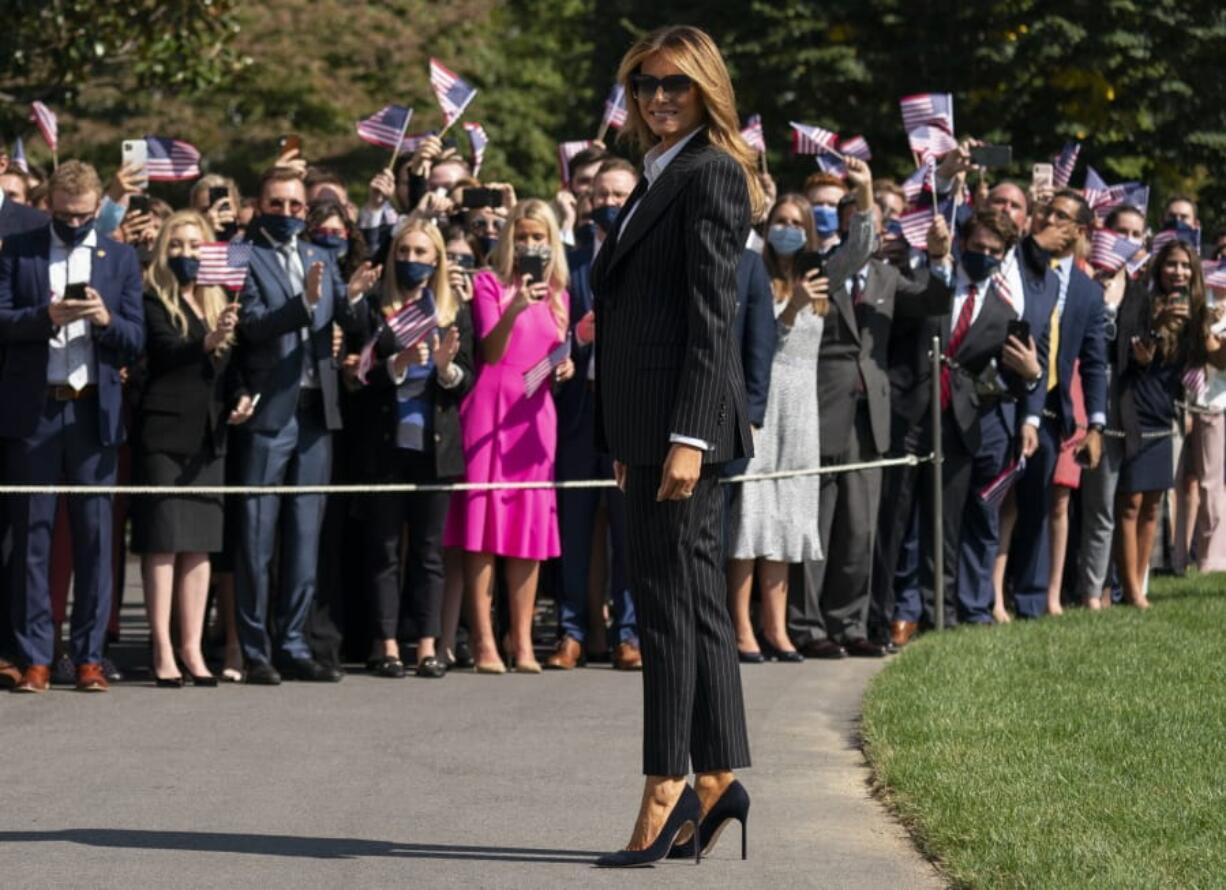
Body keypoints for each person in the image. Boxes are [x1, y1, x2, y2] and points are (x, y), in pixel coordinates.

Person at [590, 25, 762, 867]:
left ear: (706, 91)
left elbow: (710, 321)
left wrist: (688, 437)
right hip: (648, 429)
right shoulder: (658, 173)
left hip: (684, 430)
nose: (659, 98)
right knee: (692, 608)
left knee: (666, 612)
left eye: (676, 85)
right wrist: (629, 434)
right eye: (646, 85)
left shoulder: (713, 172)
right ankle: (715, 778)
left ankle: (667, 785)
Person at [789, 185, 954, 658]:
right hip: (823, 406)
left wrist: (939, 262)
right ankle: (807, 625)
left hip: (872, 414)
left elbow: (931, 302)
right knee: (817, 524)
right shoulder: (819, 268)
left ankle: (849, 622)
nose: (876, 233)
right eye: (865, 221)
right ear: (849, 223)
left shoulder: (885, 276)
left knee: (860, 527)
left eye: (881, 225)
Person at [0, 160, 144, 693]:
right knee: (33, 536)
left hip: (92, 410)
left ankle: (88, 656)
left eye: (84, 216)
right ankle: (36, 655)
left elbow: (136, 337)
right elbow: (2, 317)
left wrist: (104, 321)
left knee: (95, 538)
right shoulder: (21, 251)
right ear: (49, 208)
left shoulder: (120, 257)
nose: (75, 224)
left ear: (95, 211)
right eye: (65, 216)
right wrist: (47, 317)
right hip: (36, 409)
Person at [231, 166, 356, 685]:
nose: (286, 214)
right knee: (256, 537)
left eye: (295, 206)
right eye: (277, 204)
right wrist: (300, 306)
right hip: (268, 410)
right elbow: (251, 325)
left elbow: (343, 323)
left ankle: (294, 642)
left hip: (315, 412)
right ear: (260, 206)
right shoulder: (244, 257)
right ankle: (254, 647)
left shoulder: (322, 257)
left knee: (306, 536)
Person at [442, 198, 572, 675]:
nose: (531, 245)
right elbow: (492, 353)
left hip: (534, 417)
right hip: (487, 410)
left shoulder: (559, 292)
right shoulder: (487, 283)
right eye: (523, 235)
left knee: (528, 529)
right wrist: (516, 307)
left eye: (539, 237)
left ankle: (522, 643)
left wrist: (562, 365)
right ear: (509, 238)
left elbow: (540, 364)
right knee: (482, 533)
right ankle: (483, 643)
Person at [131, 210, 254, 686]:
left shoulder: (219, 299)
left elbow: (233, 367)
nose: (185, 253)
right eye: (176, 245)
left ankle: (191, 648)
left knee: (200, 548)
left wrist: (242, 397)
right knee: (163, 544)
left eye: (193, 244)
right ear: (164, 251)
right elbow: (165, 352)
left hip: (210, 438)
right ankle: (162, 649)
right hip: (163, 436)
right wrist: (208, 339)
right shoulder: (151, 299)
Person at [354, 219, 474, 678]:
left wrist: (446, 370)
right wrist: (397, 364)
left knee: (428, 552)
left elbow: (468, 376)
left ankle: (427, 645)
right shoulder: (374, 305)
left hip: (435, 448)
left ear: (438, 259)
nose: (411, 260)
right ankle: (386, 644)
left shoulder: (452, 308)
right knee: (384, 551)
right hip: (386, 446)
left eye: (422, 253)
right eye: (404, 251)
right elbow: (360, 375)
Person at [548, 159, 642, 671]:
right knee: (575, 530)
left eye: (620, 194)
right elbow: (546, 342)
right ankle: (571, 632)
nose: (609, 202)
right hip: (579, 414)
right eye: (601, 193)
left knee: (631, 532)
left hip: (632, 416)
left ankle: (629, 633)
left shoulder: (655, 258)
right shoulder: (568, 263)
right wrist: (577, 341)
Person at [727, 194, 829, 662]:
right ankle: (741, 626)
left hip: (802, 411)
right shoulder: (753, 271)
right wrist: (793, 307)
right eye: (779, 221)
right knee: (751, 515)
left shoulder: (820, 277)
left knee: (787, 514)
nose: (787, 228)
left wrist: (864, 191)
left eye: (796, 222)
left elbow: (864, 240)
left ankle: (777, 626)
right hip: (763, 401)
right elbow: (762, 340)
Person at [1004, 191, 1108, 618]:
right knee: (998, 502)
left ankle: (1029, 599)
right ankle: (984, 598)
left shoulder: (1086, 291)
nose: (1049, 219)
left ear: (1080, 231)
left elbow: (1095, 363)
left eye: (1061, 216)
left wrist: (1095, 425)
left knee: (1037, 507)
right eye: (1046, 211)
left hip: (1051, 411)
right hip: (1004, 399)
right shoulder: (1018, 263)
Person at [1114, 240, 1221, 609]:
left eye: (1185, 266)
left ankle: (1138, 583)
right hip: (1134, 409)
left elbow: (1217, 359)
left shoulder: (1197, 313)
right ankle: (1130, 589)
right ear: (1159, 268)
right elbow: (1128, 356)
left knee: (1153, 503)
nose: (1178, 272)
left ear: (1194, 273)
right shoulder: (1139, 303)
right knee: (1129, 502)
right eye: (1171, 264)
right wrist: (1153, 328)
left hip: (1166, 413)